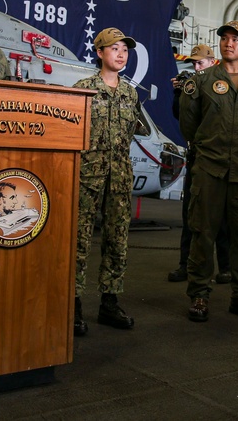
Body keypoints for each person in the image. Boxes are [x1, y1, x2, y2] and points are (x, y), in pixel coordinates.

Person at [179, 21, 238, 323]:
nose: (229, 43)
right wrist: (207, 150)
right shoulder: (201, 81)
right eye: (224, 39)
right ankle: (199, 295)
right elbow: (188, 124)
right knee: (202, 234)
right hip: (209, 168)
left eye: (236, 39)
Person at [72, 27, 144, 335]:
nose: (121, 54)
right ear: (100, 52)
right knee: (78, 241)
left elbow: (130, 134)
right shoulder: (83, 89)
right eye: (114, 49)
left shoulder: (130, 94)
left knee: (117, 241)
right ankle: (72, 304)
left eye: (125, 50)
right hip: (87, 176)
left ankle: (109, 303)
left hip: (119, 178)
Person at [168, 44, 232, 285]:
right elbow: (180, 115)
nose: (196, 68)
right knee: (191, 213)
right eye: (194, 64)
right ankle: (186, 265)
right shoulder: (191, 86)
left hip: (219, 157)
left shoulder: (222, 85)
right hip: (197, 156)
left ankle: (226, 267)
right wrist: (179, 94)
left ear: (212, 62)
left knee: (222, 215)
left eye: (201, 63)